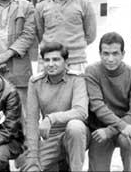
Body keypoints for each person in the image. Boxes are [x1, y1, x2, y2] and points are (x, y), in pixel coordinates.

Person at [23, 42, 89, 171]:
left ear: (66, 61)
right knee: (30, 168)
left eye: (56, 59)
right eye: (47, 60)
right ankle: (59, 164)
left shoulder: (77, 79)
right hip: (51, 137)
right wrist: (33, 156)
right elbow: (31, 121)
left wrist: (51, 118)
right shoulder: (35, 82)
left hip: (76, 136)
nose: (51, 64)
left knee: (75, 126)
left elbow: (81, 112)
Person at [85, 32, 131, 171]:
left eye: (115, 53)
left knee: (129, 137)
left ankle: (128, 168)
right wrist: (109, 130)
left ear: (123, 54)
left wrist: (111, 130)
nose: (110, 59)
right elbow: (98, 106)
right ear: (100, 53)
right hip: (100, 129)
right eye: (106, 53)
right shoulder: (92, 71)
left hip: (123, 128)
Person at [35, 0, 96, 74]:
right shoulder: (42, 4)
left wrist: (74, 48)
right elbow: (40, 34)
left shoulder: (83, 2)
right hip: (49, 61)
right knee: (46, 90)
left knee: (78, 90)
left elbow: (91, 35)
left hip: (75, 61)